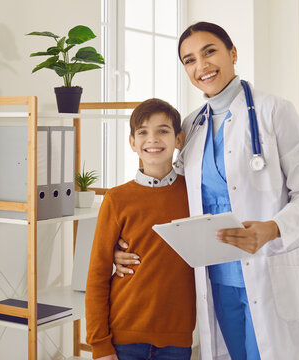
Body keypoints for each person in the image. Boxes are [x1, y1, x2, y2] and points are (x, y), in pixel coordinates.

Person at [113, 22, 299, 360]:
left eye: (209, 51)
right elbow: (169, 194)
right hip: (217, 279)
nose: (201, 66)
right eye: (189, 60)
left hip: (270, 268)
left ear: (232, 53)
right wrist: (124, 247)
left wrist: (273, 229)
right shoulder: (191, 125)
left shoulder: (274, 111)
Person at [85, 98, 196, 360]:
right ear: (132, 142)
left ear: (178, 139)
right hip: (124, 336)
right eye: (143, 132)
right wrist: (99, 344)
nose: (153, 139)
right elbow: (97, 275)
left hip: (177, 338)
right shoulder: (116, 198)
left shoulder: (195, 194)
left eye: (163, 130)